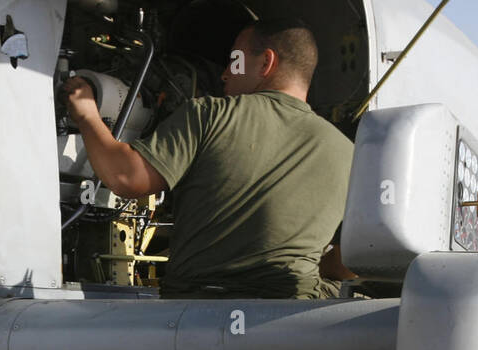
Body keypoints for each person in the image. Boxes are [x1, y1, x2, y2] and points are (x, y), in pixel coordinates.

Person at [64, 18, 354, 298]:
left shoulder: (211, 114)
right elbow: (348, 261)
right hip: (292, 317)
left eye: (235, 60)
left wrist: (87, 113)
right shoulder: (348, 152)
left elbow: (125, 176)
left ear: (266, 62)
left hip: (200, 311)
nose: (225, 73)